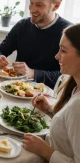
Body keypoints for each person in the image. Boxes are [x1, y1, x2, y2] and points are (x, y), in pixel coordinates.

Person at [0, 0, 72, 89]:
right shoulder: (22, 25)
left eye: (39, 5)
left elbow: (68, 77)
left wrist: (33, 73)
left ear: (56, 6)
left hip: (49, 94)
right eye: (31, 3)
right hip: (16, 88)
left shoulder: (68, 33)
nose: (32, 9)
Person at [23, 24, 80, 163]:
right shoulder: (73, 85)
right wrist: (51, 108)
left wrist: (45, 151)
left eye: (64, 51)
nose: (56, 56)